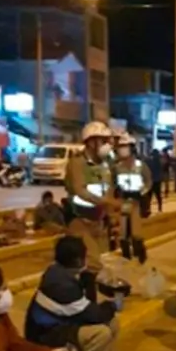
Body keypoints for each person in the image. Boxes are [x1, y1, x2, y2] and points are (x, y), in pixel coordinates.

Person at [24, 236, 121, 351]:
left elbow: (87, 307)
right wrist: (112, 305)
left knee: (112, 323)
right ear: (77, 260)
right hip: (46, 332)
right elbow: (93, 314)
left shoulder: (61, 272)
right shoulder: (61, 284)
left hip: (61, 322)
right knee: (101, 332)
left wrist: (89, 282)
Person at [65, 121, 120, 304]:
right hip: (79, 220)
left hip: (98, 220)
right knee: (93, 263)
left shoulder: (105, 164)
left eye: (107, 140)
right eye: (102, 140)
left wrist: (111, 214)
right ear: (90, 142)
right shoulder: (77, 162)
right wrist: (107, 201)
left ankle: (89, 303)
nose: (106, 144)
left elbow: (110, 188)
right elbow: (79, 190)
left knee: (92, 266)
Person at [111, 132, 152, 264]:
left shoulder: (141, 166)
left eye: (125, 146)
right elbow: (113, 184)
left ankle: (140, 255)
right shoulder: (117, 168)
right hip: (123, 200)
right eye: (120, 147)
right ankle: (125, 255)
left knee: (136, 232)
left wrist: (142, 193)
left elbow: (148, 182)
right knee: (122, 232)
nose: (122, 149)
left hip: (136, 201)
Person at [146, 148, 165, 214]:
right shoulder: (159, 162)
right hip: (157, 180)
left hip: (152, 181)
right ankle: (159, 208)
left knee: (149, 196)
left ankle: (148, 208)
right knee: (158, 195)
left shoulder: (150, 162)